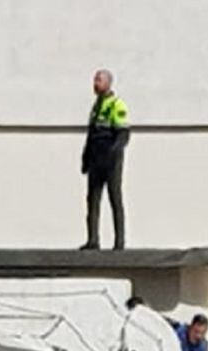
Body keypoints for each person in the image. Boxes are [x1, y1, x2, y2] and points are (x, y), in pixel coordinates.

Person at [81, 69, 129, 250]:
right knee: (92, 199)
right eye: (94, 80)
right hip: (96, 159)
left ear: (108, 83)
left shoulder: (117, 104)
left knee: (114, 198)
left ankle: (119, 242)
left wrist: (113, 155)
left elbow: (123, 135)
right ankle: (93, 240)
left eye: (98, 80)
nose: (95, 83)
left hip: (111, 160)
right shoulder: (96, 106)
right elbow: (91, 134)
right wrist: (85, 158)